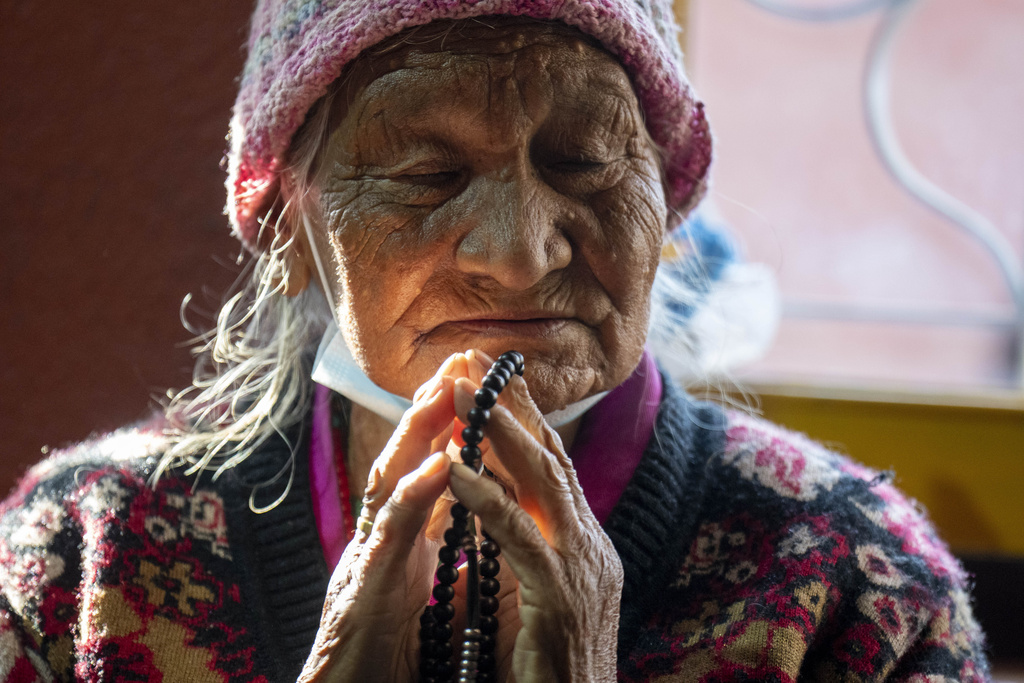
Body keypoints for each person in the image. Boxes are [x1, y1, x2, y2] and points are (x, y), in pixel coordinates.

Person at [0, 0, 988, 680]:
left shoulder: (854, 587)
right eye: (427, 174)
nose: (519, 255)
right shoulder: (85, 561)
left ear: (667, 202)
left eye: (584, 160)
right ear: (285, 224)